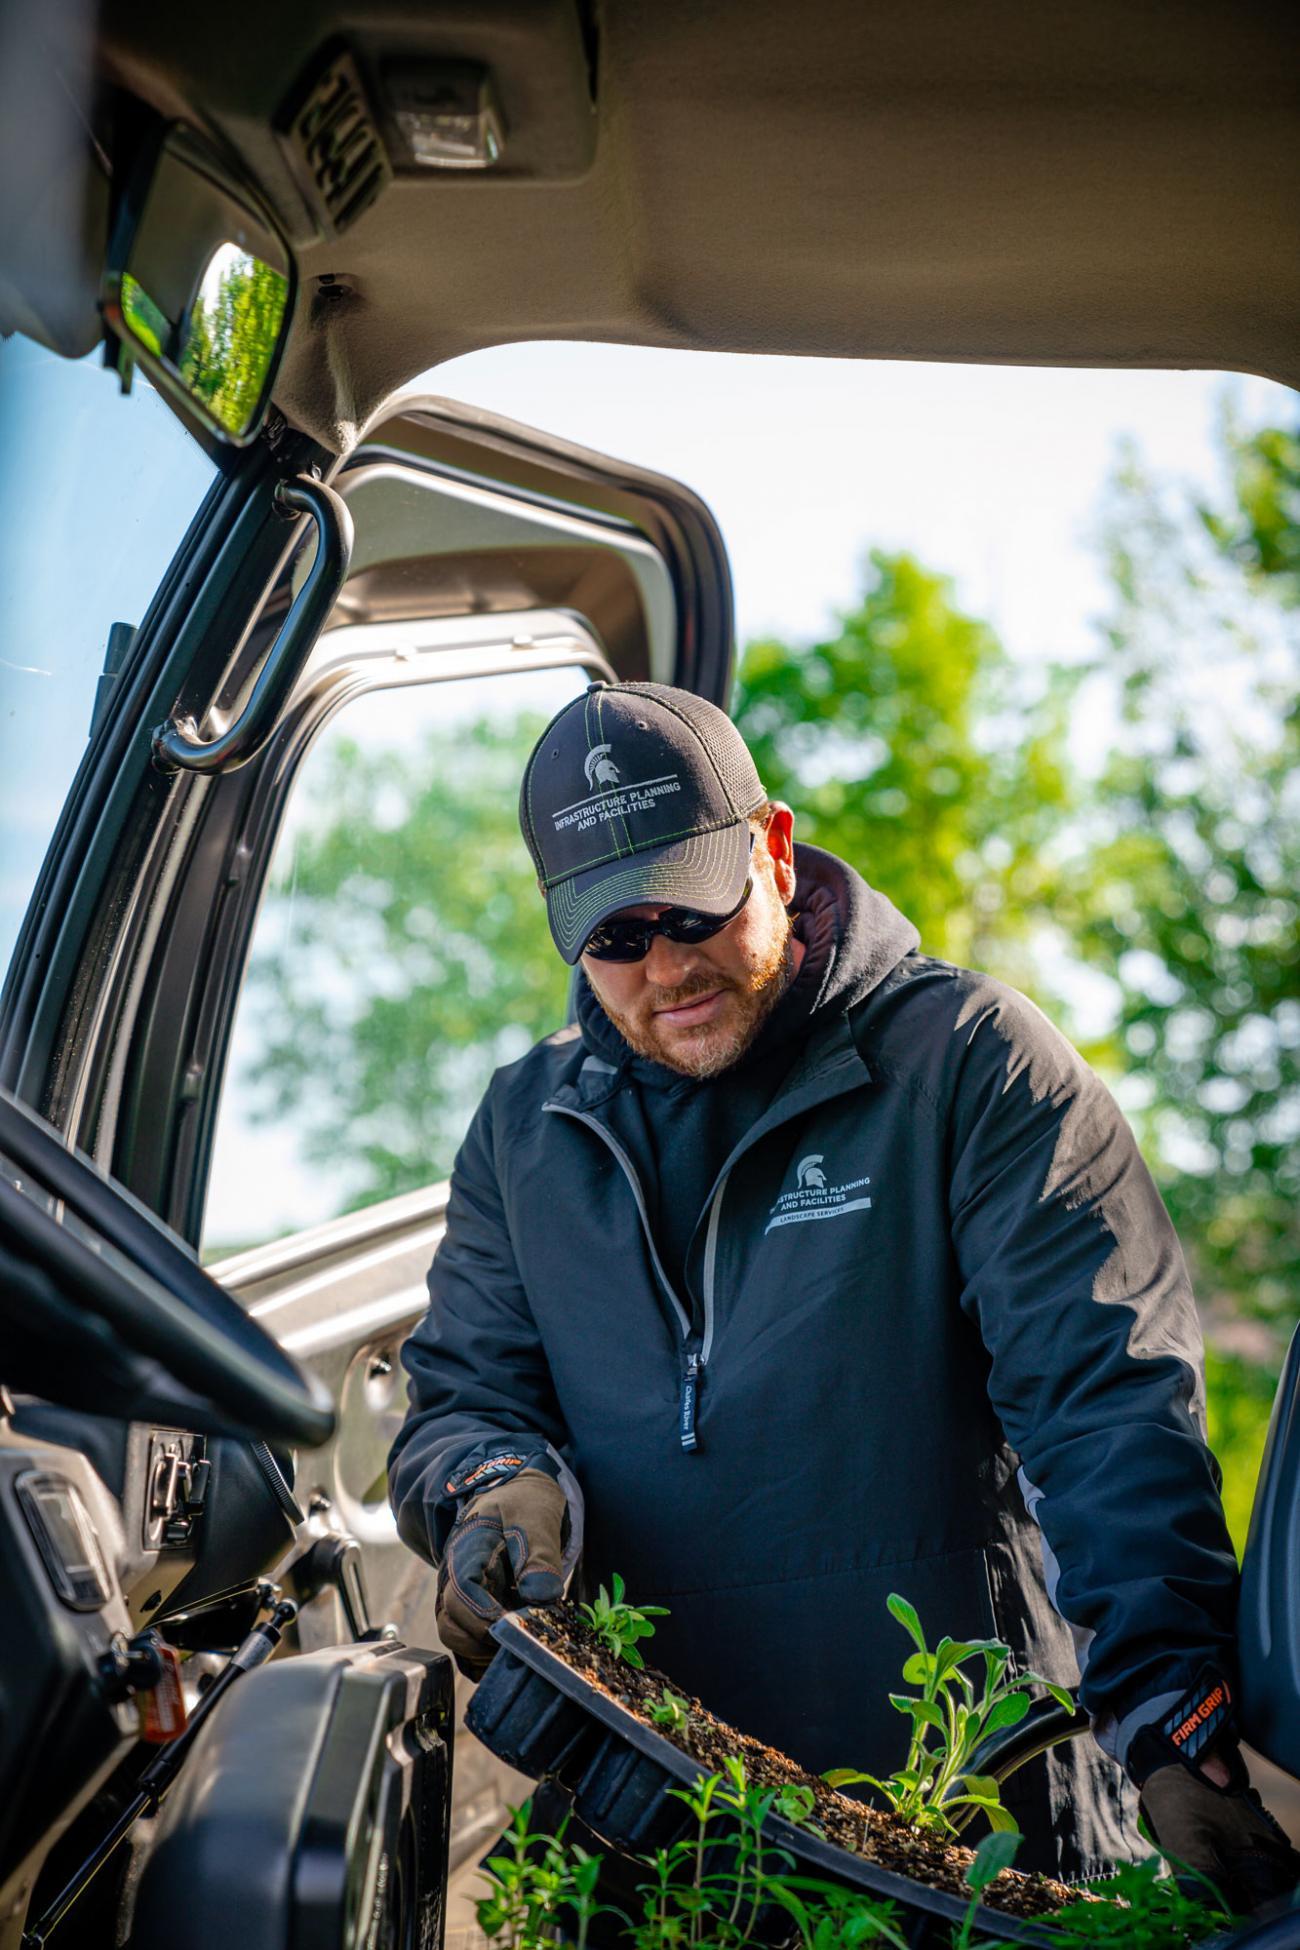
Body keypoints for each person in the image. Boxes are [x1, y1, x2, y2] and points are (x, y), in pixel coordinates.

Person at [389, 680, 1299, 1905]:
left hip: (978, 1834)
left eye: (690, 910)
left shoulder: (969, 1063)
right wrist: (495, 1486)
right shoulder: (522, 1130)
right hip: (655, 1843)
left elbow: (1103, 1408)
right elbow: (461, 1396)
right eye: (614, 936)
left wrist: (1166, 1719)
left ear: (770, 846)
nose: (664, 964)